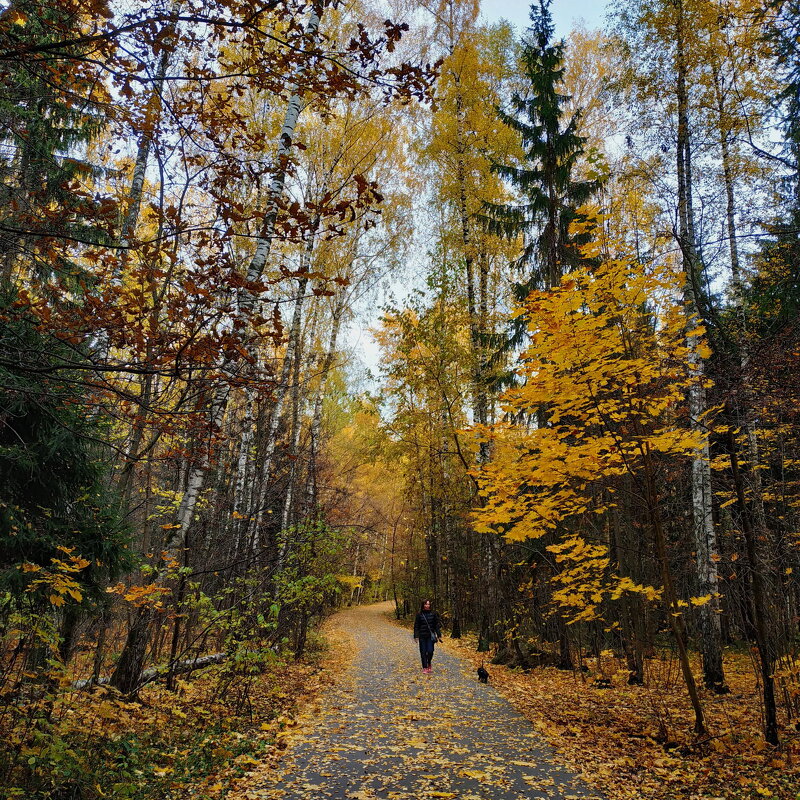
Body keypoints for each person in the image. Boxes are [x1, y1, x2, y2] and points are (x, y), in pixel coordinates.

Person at [413, 599, 443, 674]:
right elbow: (416, 626)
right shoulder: (419, 614)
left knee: (430, 651)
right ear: (423, 605)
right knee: (423, 652)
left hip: (430, 636)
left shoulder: (433, 614)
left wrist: (439, 635)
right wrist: (416, 636)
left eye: (428, 604)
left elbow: (436, 626)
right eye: (426, 604)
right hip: (422, 636)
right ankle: (425, 667)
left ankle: (429, 662)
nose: (427, 606)